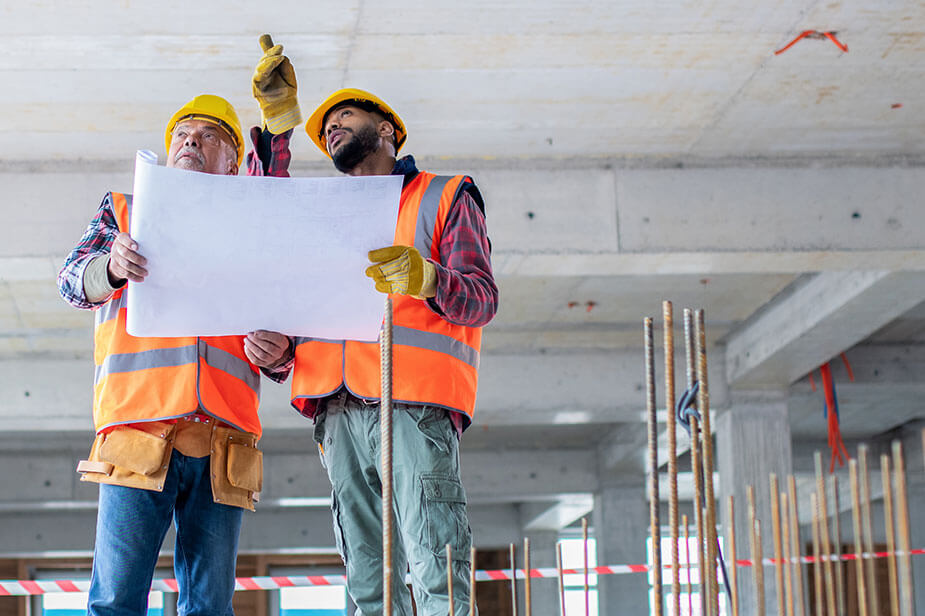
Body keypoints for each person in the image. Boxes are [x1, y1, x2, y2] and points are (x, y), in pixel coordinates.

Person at [247, 38, 498, 616]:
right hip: (336, 411)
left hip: (411, 405)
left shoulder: (443, 194)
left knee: (438, 565)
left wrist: (430, 279)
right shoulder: (323, 216)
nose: (332, 128)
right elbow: (261, 212)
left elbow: (481, 298)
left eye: (345, 116)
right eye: (324, 127)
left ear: (388, 129)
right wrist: (278, 127)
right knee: (368, 582)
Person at [57, 94, 291, 616]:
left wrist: (279, 355)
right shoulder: (126, 212)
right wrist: (112, 266)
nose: (192, 142)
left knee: (209, 607)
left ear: (234, 163)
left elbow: (286, 346)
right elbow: (72, 281)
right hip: (138, 434)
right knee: (116, 601)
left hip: (223, 443)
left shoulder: (252, 231)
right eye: (183, 134)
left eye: (210, 135)